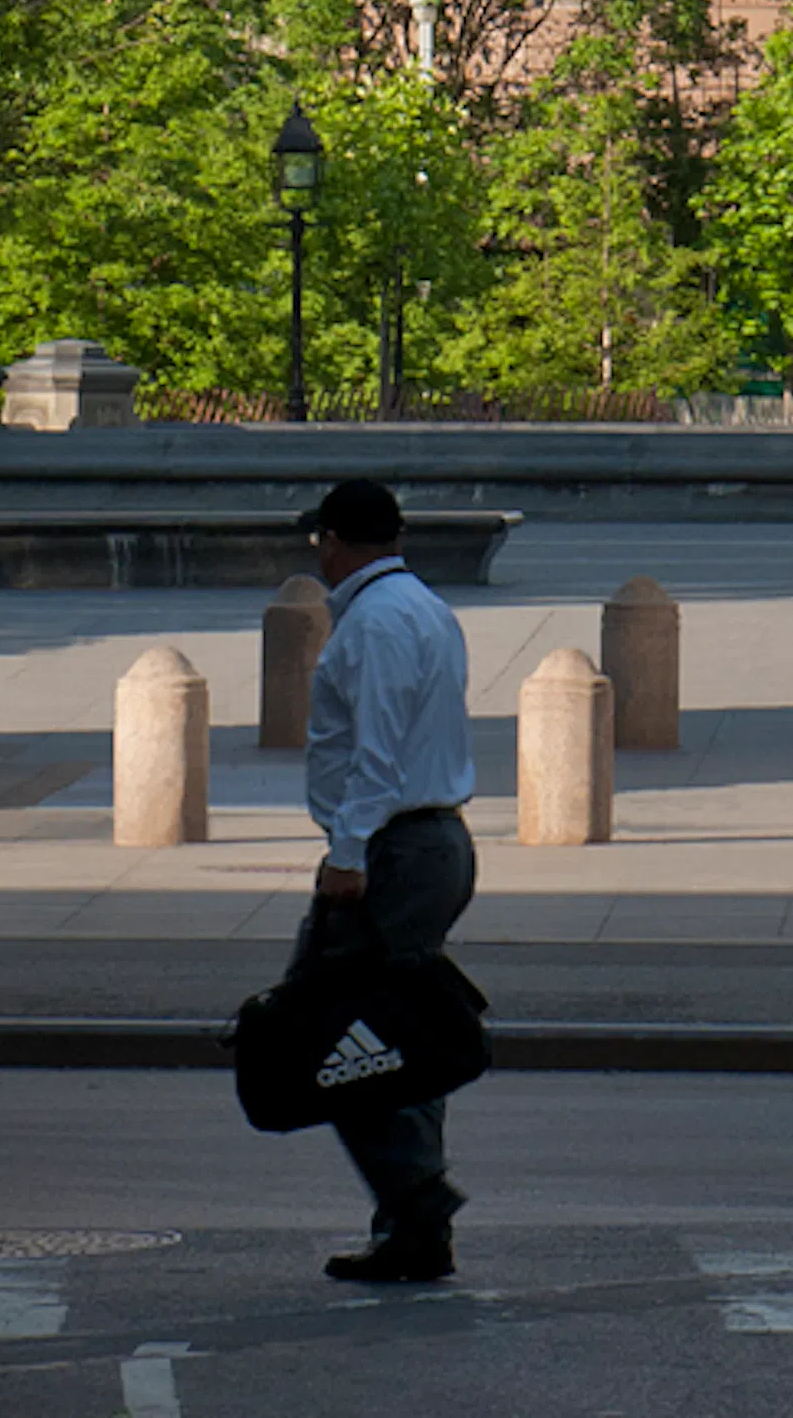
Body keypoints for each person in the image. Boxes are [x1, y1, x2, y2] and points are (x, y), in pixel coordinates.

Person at [291, 478, 480, 1278]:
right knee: (392, 1032)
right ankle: (411, 1220)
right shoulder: (426, 605)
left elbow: (379, 750)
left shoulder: (373, 621)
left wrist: (348, 854)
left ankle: (418, 1206)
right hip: (422, 843)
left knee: (334, 1031)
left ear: (333, 540)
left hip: (392, 850)